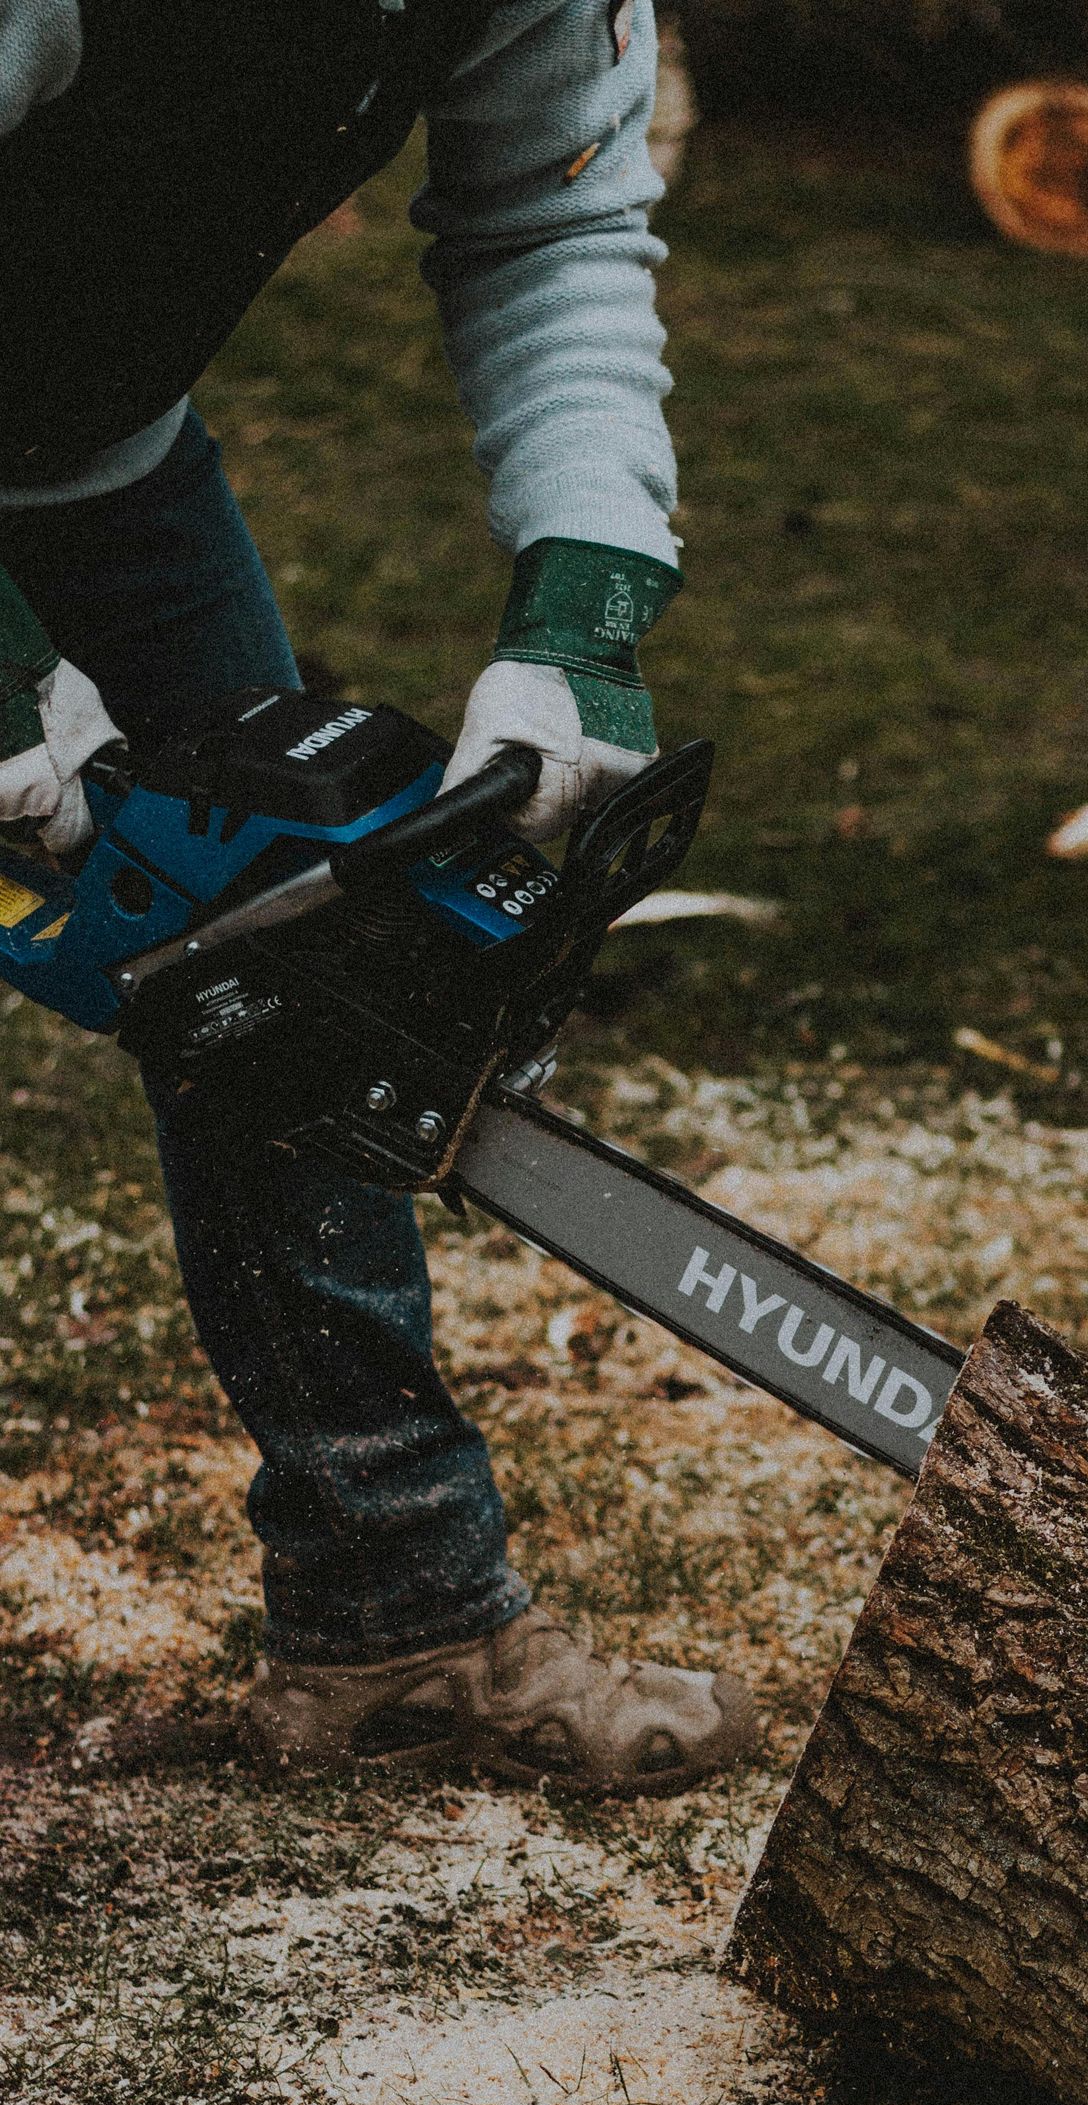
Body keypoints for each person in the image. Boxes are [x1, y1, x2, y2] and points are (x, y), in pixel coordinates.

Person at [0, 0, 756, 1795]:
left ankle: (394, 1619)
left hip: (100, 464)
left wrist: (585, 611)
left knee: (295, 972)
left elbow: (552, 218)